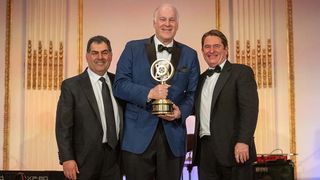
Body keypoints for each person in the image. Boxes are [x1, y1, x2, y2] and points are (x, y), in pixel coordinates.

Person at [113, 3, 200, 180]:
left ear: (177, 24)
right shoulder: (132, 48)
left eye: (171, 20)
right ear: (154, 22)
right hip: (137, 137)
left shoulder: (190, 54)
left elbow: (193, 93)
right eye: (162, 19)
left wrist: (180, 112)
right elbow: (119, 85)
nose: (167, 24)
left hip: (173, 138)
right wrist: (149, 93)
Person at [192, 29, 259, 180]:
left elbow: (249, 110)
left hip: (234, 149)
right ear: (202, 51)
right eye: (207, 47)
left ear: (226, 49)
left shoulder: (241, 72)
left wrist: (243, 141)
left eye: (217, 46)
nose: (211, 50)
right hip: (205, 152)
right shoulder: (200, 79)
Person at [55, 35, 122, 180]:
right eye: (95, 53)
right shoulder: (71, 86)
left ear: (110, 56)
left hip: (115, 160)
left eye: (104, 52)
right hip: (82, 162)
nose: (100, 57)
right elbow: (63, 126)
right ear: (87, 56)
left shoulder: (120, 83)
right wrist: (67, 158)